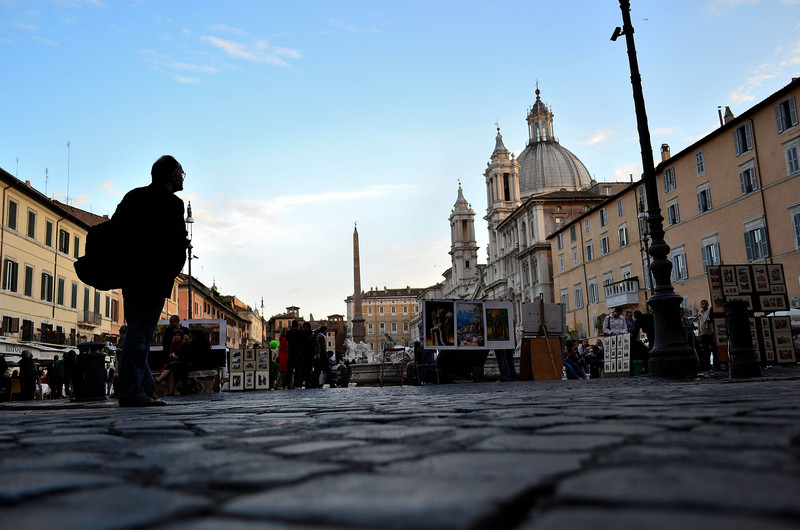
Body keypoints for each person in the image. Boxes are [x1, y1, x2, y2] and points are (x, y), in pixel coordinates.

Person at [115, 155, 188, 407]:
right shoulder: (173, 204)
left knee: (138, 333)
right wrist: (170, 271)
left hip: (131, 276)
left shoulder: (133, 196)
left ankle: (146, 389)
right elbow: (178, 245)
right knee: (139, 336)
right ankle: (131, 393)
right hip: (154, 278)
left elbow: (115, 230)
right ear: (171, 175)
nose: (182, 177)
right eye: (181, 173)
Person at [693, 299, 716, 370]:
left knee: (713, 349)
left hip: (709, 333)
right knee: (705, 350)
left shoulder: (709, 312)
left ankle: (715, 364)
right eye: (703, 304)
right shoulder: (700, 313)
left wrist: (712, 331)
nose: (704, 305)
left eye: (706, 304)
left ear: (708, 305)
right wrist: (699, 332)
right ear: (700, 305)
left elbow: (711, 321)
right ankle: (707, 365)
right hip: (702, 334)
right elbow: (699, 322)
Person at [285, 320, 303, 389]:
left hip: (291, 352)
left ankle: (287, 384)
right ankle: (296, 384)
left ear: (292, 325)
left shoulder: (289, 333)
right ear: (297, 325)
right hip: (298, 353)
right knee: (298, 370)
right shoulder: (300, 332)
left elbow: (287, 339)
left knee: (289, 369)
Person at [300, 322, 316, 388]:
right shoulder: (302, 335)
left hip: (310, 354)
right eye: (304, 327)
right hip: (303, 354)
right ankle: (302, 383)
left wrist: (317, 353)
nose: (305, 329)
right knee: (303, 370)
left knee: (309, 370)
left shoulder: (312, 335)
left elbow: (316, 344)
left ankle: (308, 384)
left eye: (306, 327)